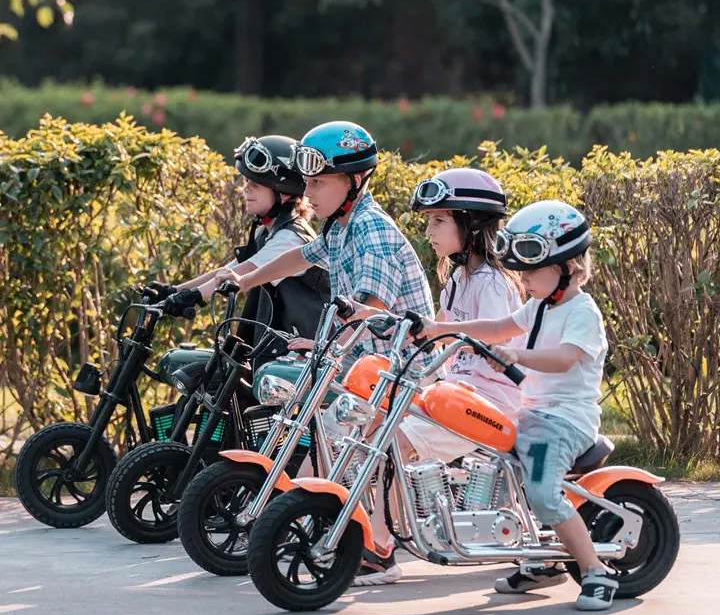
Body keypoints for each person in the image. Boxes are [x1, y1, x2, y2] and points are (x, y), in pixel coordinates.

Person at [418, 200, 617, 612]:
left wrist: (517, 357)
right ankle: (540, 559)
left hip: (562, 421)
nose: (523, 278)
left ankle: (596, 571)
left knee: (543, 494)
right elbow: (497, 327)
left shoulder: (582, 312)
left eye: (530, 270)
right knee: (499, 472)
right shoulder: (538, 305)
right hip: (530, 414)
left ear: (567, 267)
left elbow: (564, 359)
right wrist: (441, 328)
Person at [347, 168, 526, 586]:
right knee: (373, 429)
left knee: (395, 445)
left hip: (489, 404)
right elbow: (433, 333)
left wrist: (444, 334)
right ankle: (380, 530)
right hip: (456, 397)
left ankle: (381, 549)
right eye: (429, 221)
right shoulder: (456, 281)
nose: (429, 230)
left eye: (438, 221)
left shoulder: (492, 284)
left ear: (472, 224)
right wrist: (378, 320)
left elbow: (497, 333)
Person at [214, 121, 435, 367]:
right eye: (307, 182)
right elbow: (299, 257)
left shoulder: (371, 227)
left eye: (317, 183)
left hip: (403, 374)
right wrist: (244, 281)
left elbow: (371, 309)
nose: (307, 193)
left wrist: (326, 346)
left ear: (354, 181)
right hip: (367, 363)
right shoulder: (341, 226)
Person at [153, 135, 330, 360]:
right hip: (272, 347)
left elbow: (243, 273)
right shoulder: (270, 231)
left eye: (255, 184)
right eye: (247, 182)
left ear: (283, 193)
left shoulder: (291, 238)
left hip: (295, 356)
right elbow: (228, 270)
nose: (246, 189)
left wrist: (195, 297)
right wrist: (174, 292)